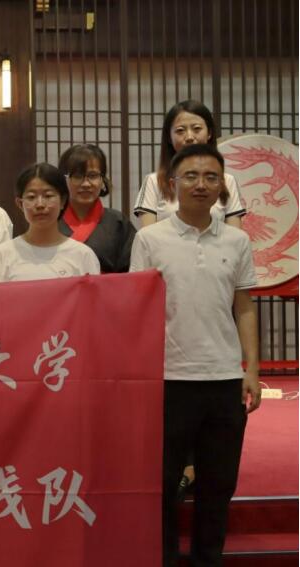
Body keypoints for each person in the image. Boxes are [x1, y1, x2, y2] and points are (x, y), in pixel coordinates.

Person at [130, 143, 260, 567]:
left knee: (218, 484)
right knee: (164, 484)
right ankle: (164, 559)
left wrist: (252, 369)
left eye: (210, 177)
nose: (201, 184)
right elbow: (138, 309)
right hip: (169, 379)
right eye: (191, 176)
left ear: (223, 187)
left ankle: (208, 559)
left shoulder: (237, 241)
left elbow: (244, 307)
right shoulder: (150, 239)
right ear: (172, 185)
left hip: (224, 379)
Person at [134, 100, 245, 228]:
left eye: (197, 129)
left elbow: (234, 236)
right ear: (169, 137)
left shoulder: (227, 181)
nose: (189, 137)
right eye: (180, 131)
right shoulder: (154, 181)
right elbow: (147, 236)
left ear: (209, 133)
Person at [0, 163, 100, 282]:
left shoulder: (83, 255)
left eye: (48, 196)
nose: (40, 204)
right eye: (31, 197)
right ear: (20, 204)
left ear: (63, 201)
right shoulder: (2, 255)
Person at [58, 144, 136, 273]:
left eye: (93, 175)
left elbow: (132, 271)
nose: (86, 184)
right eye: (77, 176)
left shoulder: (118, 222)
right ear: (63, 179)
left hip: (108, 286)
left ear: (102, 180)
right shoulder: (52, 222)